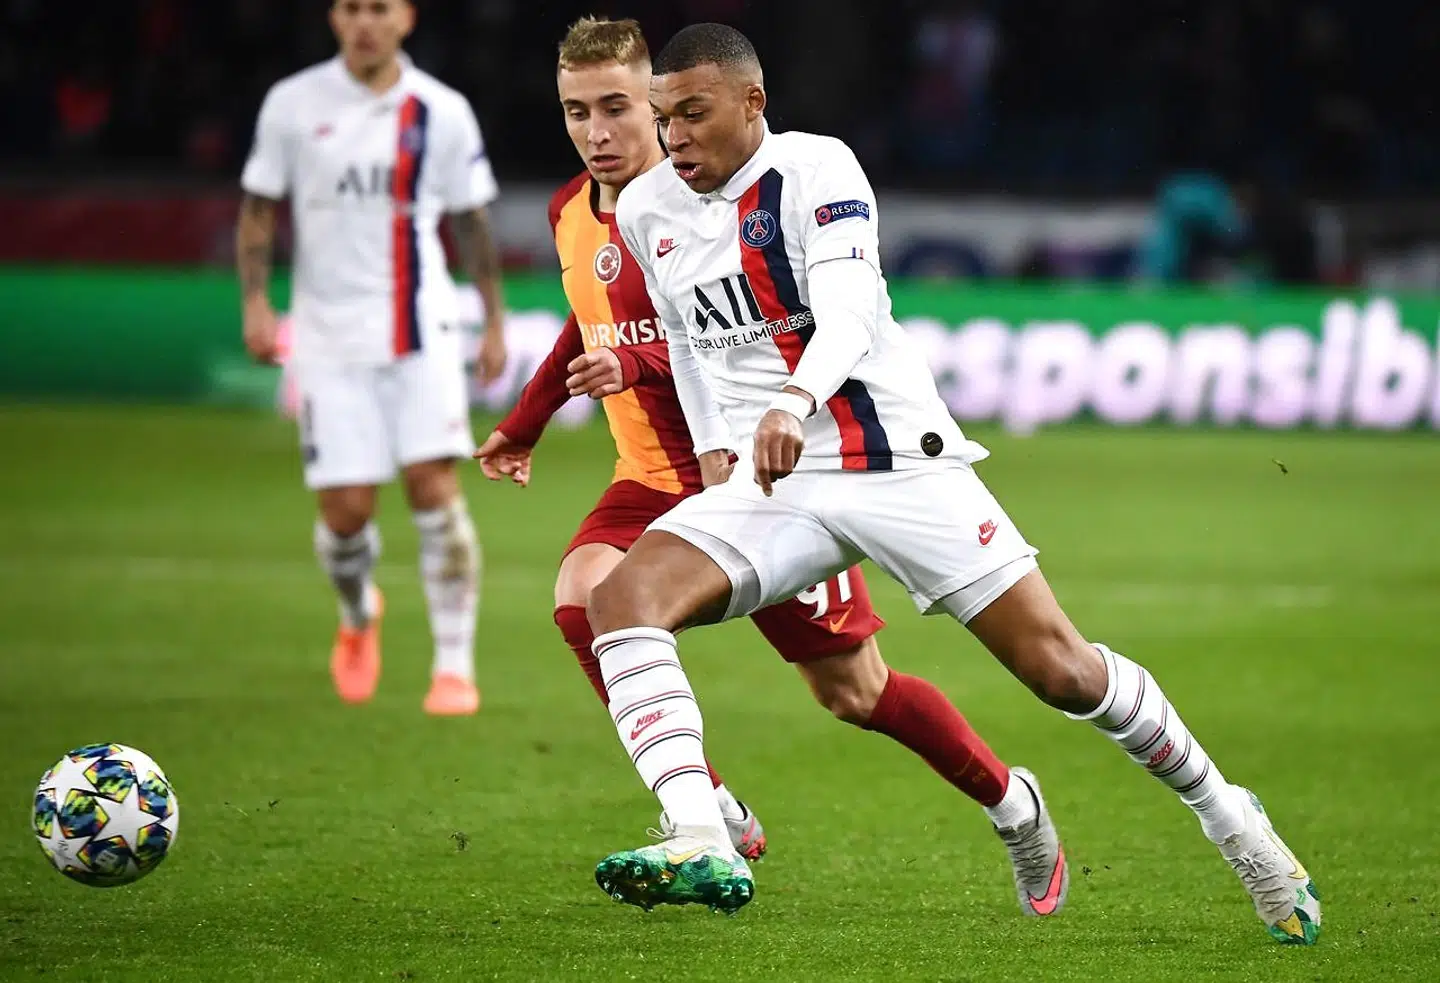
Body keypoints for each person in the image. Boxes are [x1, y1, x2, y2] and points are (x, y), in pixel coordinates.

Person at [585, 23, 1322, 944]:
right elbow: (692, 344)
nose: (676, 135)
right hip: (777, 481)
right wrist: (713, 454)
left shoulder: (819, 170)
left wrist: (793, 396)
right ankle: (700, 834)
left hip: (895, 458)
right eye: (665, 116)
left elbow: (853, 307)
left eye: (693, 113)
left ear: (752, 104)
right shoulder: (650, 206)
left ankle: (1231, 817)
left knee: (1061, 668)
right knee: (621, 601)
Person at [473, 17, 1065, 904]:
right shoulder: (578, 213)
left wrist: (637, 369)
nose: (601, 133)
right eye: (574, 113)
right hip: (653, 478)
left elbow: (731, 339)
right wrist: (525, 420)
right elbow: (588, 323)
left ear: (664, 103)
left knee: (852, 692)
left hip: (774, 476)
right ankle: (704, 810)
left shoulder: (720, 203)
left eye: (619, 109)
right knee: (586, 599)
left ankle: (1012, 801)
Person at [235, 0, 507, 716]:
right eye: (353, 8)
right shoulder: (293, 104)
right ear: (334, 17)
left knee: (433, 487)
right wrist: (257, 304)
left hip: (420, 328)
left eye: (378, 9)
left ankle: (454, 666)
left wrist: (494, 321)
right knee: (347, 511)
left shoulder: (440, 111)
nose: (365, 22)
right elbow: (259, 207)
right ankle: (359, 613)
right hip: (326, 336)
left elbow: (471, 220)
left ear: (406, 19)